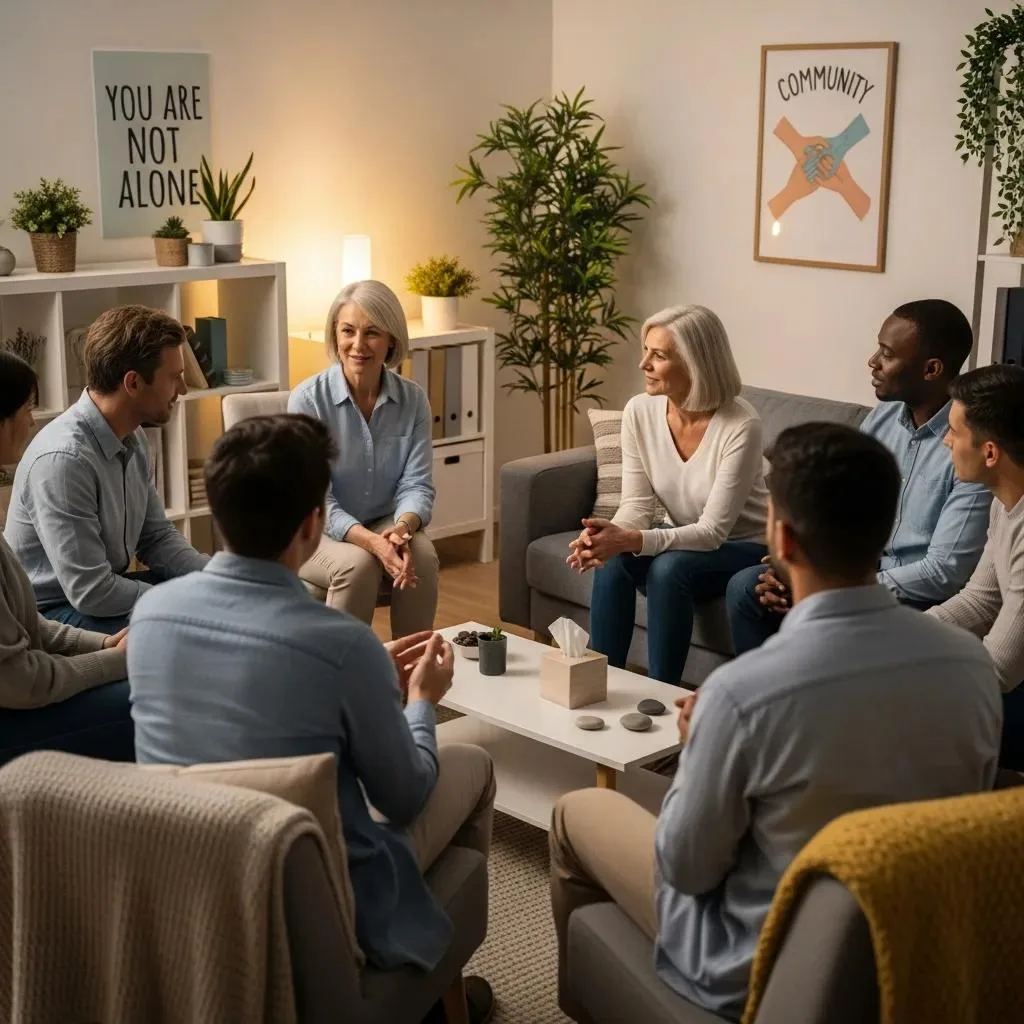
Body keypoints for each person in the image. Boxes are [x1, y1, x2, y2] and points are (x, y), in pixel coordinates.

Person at [550, 422, 1000, 1022]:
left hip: (752, 961)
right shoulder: (971, 665)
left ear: (782, 541)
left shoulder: (742, 694)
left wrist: (697, 747)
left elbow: (687, 866)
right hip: (911, 945)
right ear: (884, 529)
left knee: (577, 811)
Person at [127, 414, 496, 1021]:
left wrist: (361, 671)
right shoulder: (338, 645)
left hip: (193, 880)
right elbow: (403, 797)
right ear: (312, 526)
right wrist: (421, 701)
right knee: (472, 763)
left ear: (216, 512)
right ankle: (436, 988)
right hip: (319, 896)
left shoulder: (151, 616)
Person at [726, 299, 990, 654]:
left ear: (931, 369)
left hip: (913, 596)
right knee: (748, 587)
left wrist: (836, 589)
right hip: (855, 570)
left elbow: (943, 571)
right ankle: (770, 698)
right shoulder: (882, 419)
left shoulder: (969, 447)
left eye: (888, 354)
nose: (873, 362)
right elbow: (836, 508)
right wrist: (795, 565)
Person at [567, 304, 768, 684]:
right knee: (613, 558)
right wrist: (607, 535)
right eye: (646, 350)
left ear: (696, 363)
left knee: (668, 568)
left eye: (658, 355)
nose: (643, 363)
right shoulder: (639, 411)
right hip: (686, 539)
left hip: (744, 545)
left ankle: (661, 694)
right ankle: (597, 683)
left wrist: (634, 539)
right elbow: (637, 505)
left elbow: (712, 532)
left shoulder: (741, 424)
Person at [4, 305, 208, 635]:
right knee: (202, 626)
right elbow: (91, 592)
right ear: (133, 383)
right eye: (174, 378)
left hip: (103, 594)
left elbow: (155, 537)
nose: (183, 390)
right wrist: (178, 600)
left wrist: (216, 576)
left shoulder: (134, 436)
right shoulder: (64, 460)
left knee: (221, 600)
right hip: (55, 615)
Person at [0, 351, 132, 765]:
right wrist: (112, 662)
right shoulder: (63, 458)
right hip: (12, 715)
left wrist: (102, 644)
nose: (33, 421)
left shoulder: (134, 439)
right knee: (153, 696)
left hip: (25, 685)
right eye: (26, 409)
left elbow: (23, 628)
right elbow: (20, 681)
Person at [288, 280, 438, 637]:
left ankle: (412, 675)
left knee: (424, 557)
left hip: (385, 521)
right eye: (348, 331)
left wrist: (401, 529)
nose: (358, 345)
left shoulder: (413, 400)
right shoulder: (307, 401)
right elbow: (316, 500)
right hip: (311, 530)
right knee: (358, 565)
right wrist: (371, 542)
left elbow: (416, 484)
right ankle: (342, 683)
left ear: (391, 341)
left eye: (372, 333)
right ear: (335, 335)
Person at [929, 364, 1024, 770]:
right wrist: (895, 636)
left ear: (990, 452)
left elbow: (999, 668)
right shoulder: (1004, 503)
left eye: (955, 431)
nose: (946, 441)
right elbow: (978, 601)